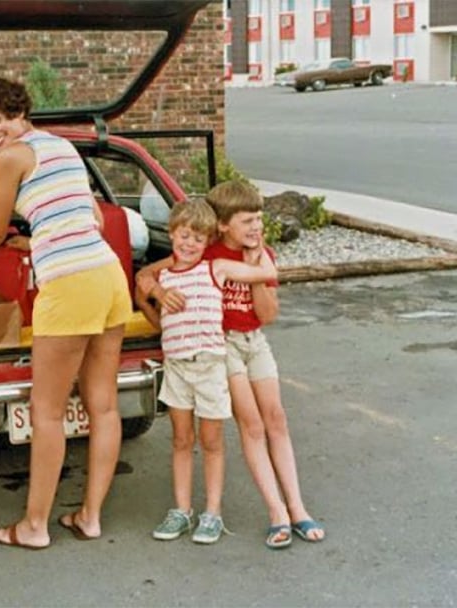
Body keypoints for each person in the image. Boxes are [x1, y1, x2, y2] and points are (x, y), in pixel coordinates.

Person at [0, 77, 131, 550]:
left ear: (18, 110)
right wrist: (34, 241)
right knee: (104, 405)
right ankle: (90, 516)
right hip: (108, 277)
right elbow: (90, 220)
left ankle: (34, 526)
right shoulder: (62, 148)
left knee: (47, 411)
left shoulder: (12, 157)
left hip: (71, 286)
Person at [137, 181, 325, 550]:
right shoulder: (206, 253)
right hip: (220, 346)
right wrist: (160, 297)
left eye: (259, 219)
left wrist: (257, 265)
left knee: (276, 419)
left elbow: (267, 315)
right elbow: (148, 276)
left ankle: (298, 507)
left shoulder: (260, 255)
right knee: (251, 425)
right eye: (248, 220)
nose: (257, 227)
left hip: (254, 341)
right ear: (223, 225)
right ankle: (277, 512)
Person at [134, 199, 277, 545]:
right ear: (171, 234)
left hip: (211, 367)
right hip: (178, 366)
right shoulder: (163, 276)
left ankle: (212, 512)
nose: (189, 244)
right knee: (182, 440)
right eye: (184, 236)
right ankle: (181, 510)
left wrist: (255, 248)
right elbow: (141, 281)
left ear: (208, 242)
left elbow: (267, 274)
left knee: (212, 441)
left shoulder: (216, 269)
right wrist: (159, 304)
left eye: (199, 239)